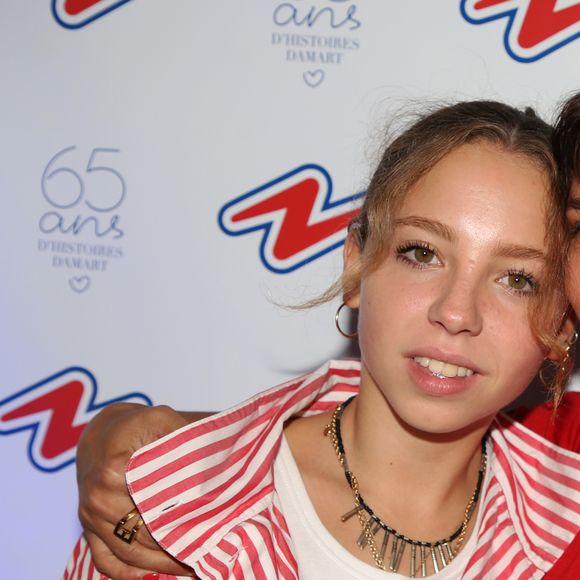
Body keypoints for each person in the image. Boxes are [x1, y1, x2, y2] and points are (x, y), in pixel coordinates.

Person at [65, 98, 580, 580]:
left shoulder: (565, 506)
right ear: (356, 264)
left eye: (518, 279)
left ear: (561, 327)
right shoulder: (169, 510)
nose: (455, 312)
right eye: (422, 253)